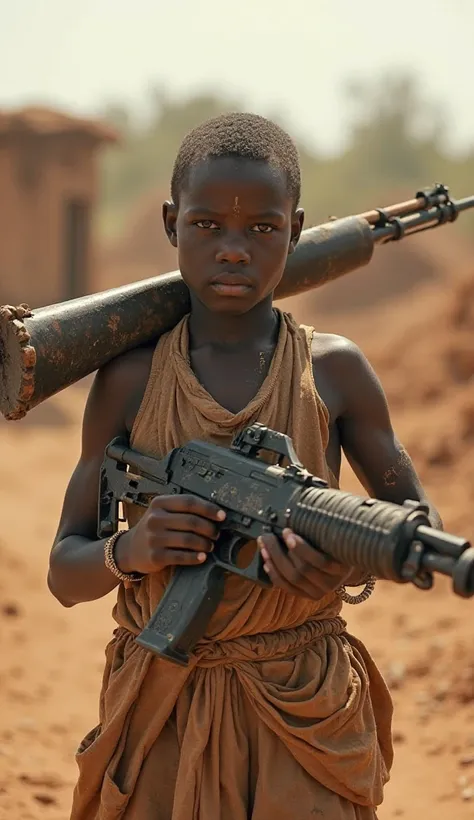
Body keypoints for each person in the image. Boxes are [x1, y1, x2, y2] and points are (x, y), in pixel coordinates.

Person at [47, 112, 442, 820]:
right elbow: (64, 571)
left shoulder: (336, 372)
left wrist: (341, 567)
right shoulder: (130, 381)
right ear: (171, 223)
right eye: (207, 225)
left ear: (295, 230)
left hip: (303, 704)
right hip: (160, 710)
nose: (233, 250)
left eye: (262, 228)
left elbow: (416, 524)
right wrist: (132, 549)